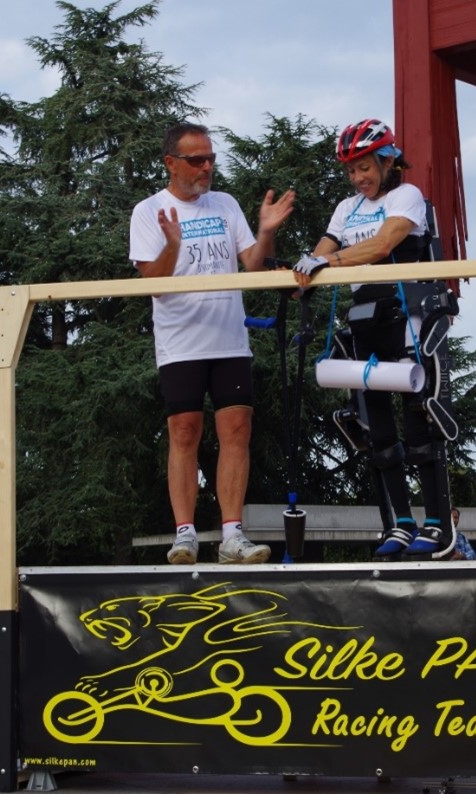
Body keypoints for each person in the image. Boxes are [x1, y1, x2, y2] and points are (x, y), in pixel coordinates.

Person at [131, 122, 296, 565]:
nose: (207, 168)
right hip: (181, 341)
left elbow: (254, 266)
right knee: (184, 432)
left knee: (237, 431)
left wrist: (264, 231)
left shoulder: (224, 203)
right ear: (170, 163)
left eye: (210, 158)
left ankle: (231, 534)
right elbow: (154, 284)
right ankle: (184, 534)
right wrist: (171, 246)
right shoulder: (148, 210)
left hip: (229, 337)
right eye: (196, 160)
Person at [293, 118, 457, 560]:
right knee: (377, 428)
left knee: (419, 420)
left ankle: (438, 524)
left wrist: (324, 264)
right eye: (350, 171)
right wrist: (303, 270)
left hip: (407, 314)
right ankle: (400, 523)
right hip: (363, 316)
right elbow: (321, 249)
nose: (358, 178)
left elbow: (383, 245)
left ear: (387, 161)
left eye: (364, 167)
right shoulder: (346, 208)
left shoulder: (407, 196)